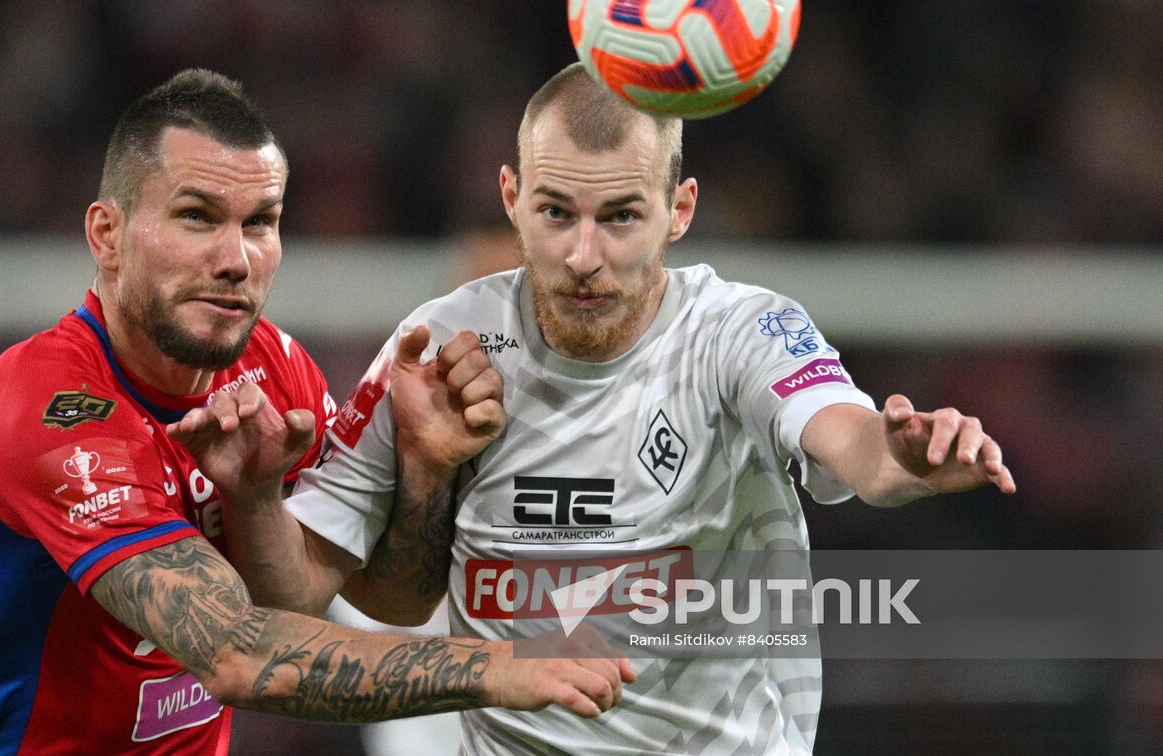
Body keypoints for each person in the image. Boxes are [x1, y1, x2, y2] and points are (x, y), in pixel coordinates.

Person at [206, 63, 1017, 755]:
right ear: (512, 198)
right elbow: (300, 597)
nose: (584, 257)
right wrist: (259, 494)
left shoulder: (740, 331)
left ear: (680, 209)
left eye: (621, 216)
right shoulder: (442, 345)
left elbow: (858, 449)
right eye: (556, 213)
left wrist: (903, 457)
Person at [0, 68, 634, 754]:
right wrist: (495, 668)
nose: (235, 258)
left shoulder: (276, 369)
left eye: (259, 222)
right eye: (197, 217)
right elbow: (237, 654)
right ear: (107, 236)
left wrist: (423, 470)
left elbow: (382, 599)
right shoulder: (51, 416)